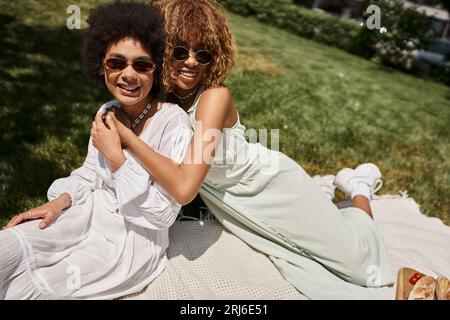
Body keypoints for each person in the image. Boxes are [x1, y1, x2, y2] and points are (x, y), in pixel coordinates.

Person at [103, 0, 396, 299]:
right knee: (310, 263)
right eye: (179, 50)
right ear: (161, 48)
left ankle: (359, 189)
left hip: (271, 187)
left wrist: (127, 137)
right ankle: (324, 199)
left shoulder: (214, 98)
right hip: (229, 201)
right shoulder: (162, 97)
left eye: (202, 53)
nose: (191, 62)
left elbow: (183, 188)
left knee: (361, 267)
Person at [0, 2, 192, 299]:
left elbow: (164, 214)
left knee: (43, 290)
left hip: (131, 244)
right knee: (9, 247)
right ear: (101, 64)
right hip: (86, 216)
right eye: (117, 63)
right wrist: (61, 201)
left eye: (141, 65)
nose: (128, 75)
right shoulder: (108, 111)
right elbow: (90, 175)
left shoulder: (173, 123)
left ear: (157, 68)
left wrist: (117, 158)